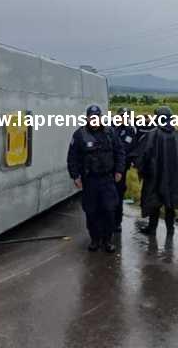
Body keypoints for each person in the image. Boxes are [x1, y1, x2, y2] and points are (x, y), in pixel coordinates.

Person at [67, 105, 125, 253]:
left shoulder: (110, 132)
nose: (94, 120)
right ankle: (95, 239)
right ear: (87, 118)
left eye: (96, 117)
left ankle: (107, 240)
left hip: (107, 179)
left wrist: (119, 170)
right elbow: (72, 157)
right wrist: (75, 176)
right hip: (90, 180)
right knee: (91, 211)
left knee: (109, 210)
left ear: (100, 118)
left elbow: (120, 152)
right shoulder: (79, 135)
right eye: (91, 117)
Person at [132, 106, 178, 237]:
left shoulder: (152, 134)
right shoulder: (177, 134)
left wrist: (142, 169)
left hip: (154, 176)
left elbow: (142, 154)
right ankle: (170, 230)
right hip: (173, 177)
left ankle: (152, 228)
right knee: (170, 204)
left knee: (154, 203)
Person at [113, 107, 140, 232]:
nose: (122, 118)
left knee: (118, 195)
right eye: (120, 115)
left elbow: (126, 148)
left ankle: (117, 221)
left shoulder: (129, 130)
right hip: (109, 167)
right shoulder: (111, 128)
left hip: (121, 167)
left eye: (125, 116)